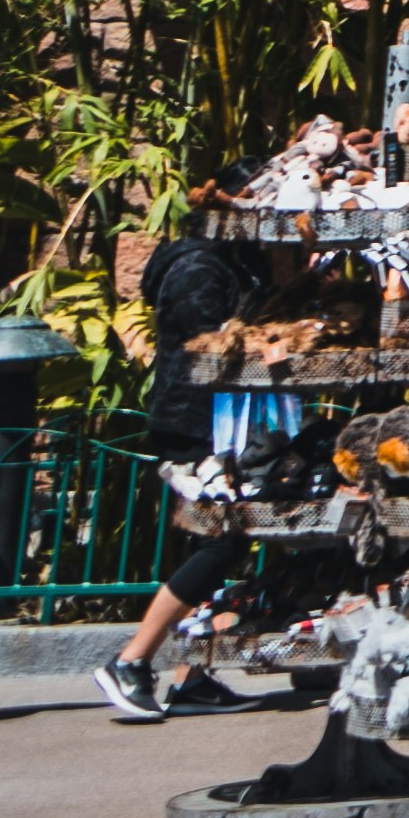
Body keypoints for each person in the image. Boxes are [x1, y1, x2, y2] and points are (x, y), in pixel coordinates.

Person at [96, 194, 273, 724]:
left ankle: (190, 676)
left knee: (219, 542)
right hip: (195, 423)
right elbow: (212, 344)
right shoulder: (199, 267)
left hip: (210, 419)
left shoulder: (218, 262)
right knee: (226, 538)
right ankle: (130, 661)